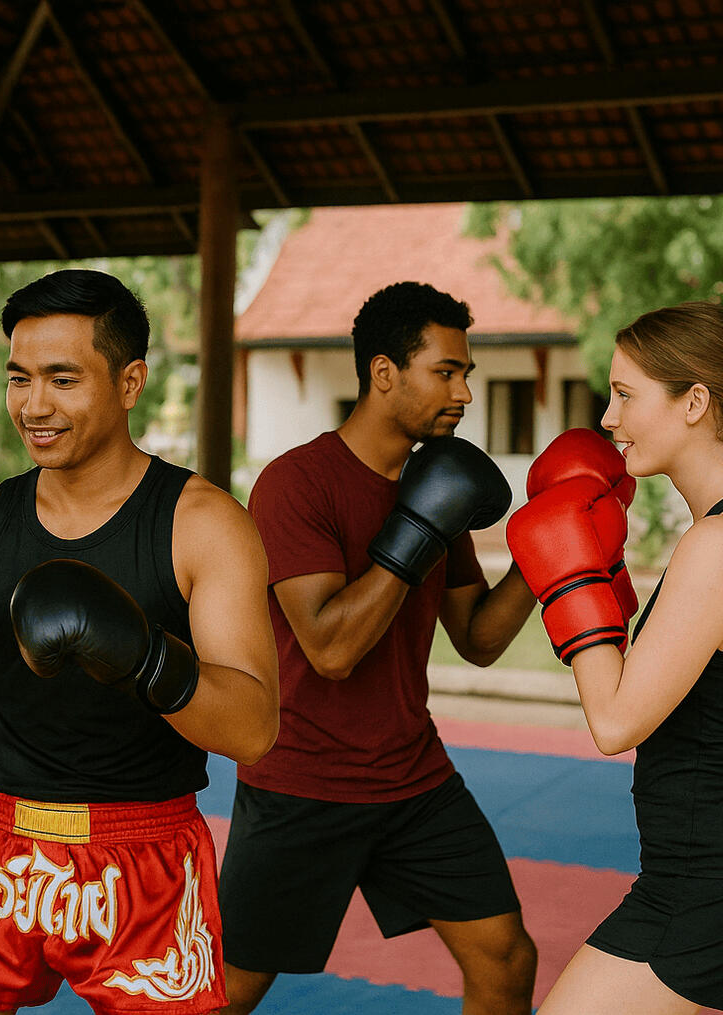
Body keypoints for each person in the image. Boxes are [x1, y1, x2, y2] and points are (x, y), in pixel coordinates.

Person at [0, 268, 279, 1015]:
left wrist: (145, 658)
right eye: (20, 378)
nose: (34, 405)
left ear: (130, 381)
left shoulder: (203, 524)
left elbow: (253, 729)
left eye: (62, 378)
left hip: (143, 856)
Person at [508, 301, 723, 1015]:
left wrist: (572, 574)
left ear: (695, 401)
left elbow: (614, 721)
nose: (608, 417)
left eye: (627, 394)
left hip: (716, 875)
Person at [217, 281, 545, 1015]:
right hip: (302, 778)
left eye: (467, 372)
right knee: (229, 989)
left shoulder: (438, 484)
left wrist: (547, 550)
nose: (464, 391)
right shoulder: (296, 483)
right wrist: (416, 530)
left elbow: (480, 637)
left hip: (411, 776)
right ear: (384, 373)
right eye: (447, 371)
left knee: (505, 954)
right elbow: (331, 648)